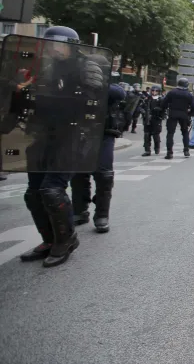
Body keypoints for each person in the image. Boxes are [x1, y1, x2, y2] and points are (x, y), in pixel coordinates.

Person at [17, 26, 108, 267]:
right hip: (44, 135)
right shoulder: (45, 68)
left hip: (73, 135)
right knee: (33, 193)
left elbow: (95, 103)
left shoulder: (87, 67)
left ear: (71, 45)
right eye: (48, 44)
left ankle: (66, 240)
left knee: (52, 190)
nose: (51, 49)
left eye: (57, 44)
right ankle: (49, 239)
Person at [71, 78, 126, 233]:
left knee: (104, 174)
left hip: (103, 134)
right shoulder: (73, 84)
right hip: (77, 132)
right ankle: (80, 210)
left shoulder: (109, 88)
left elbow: (120, 93)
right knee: (78, 173)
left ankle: (102, 214)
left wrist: (98, 84)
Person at [161, 78, 194, 159]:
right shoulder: (188, 94)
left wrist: (164, 111)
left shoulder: (172, 92)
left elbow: (164, 103)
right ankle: (186, 150)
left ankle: (169, 152)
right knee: (185, 133)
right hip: (184, 114)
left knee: (170, 134)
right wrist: (189, 113)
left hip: (172, 114)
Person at [141, 84, 165, 156]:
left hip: (156, 119)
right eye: (153, 91)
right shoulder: (147, 99)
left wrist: (159, 110)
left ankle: (157, 148)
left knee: (155, 134)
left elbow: (164, 109)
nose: (154, 92)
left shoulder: (161, 99)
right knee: (146, 134)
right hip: (147, 118)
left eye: (156, 91)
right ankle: (147, 150)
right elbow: (141, 106)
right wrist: (142, 111)